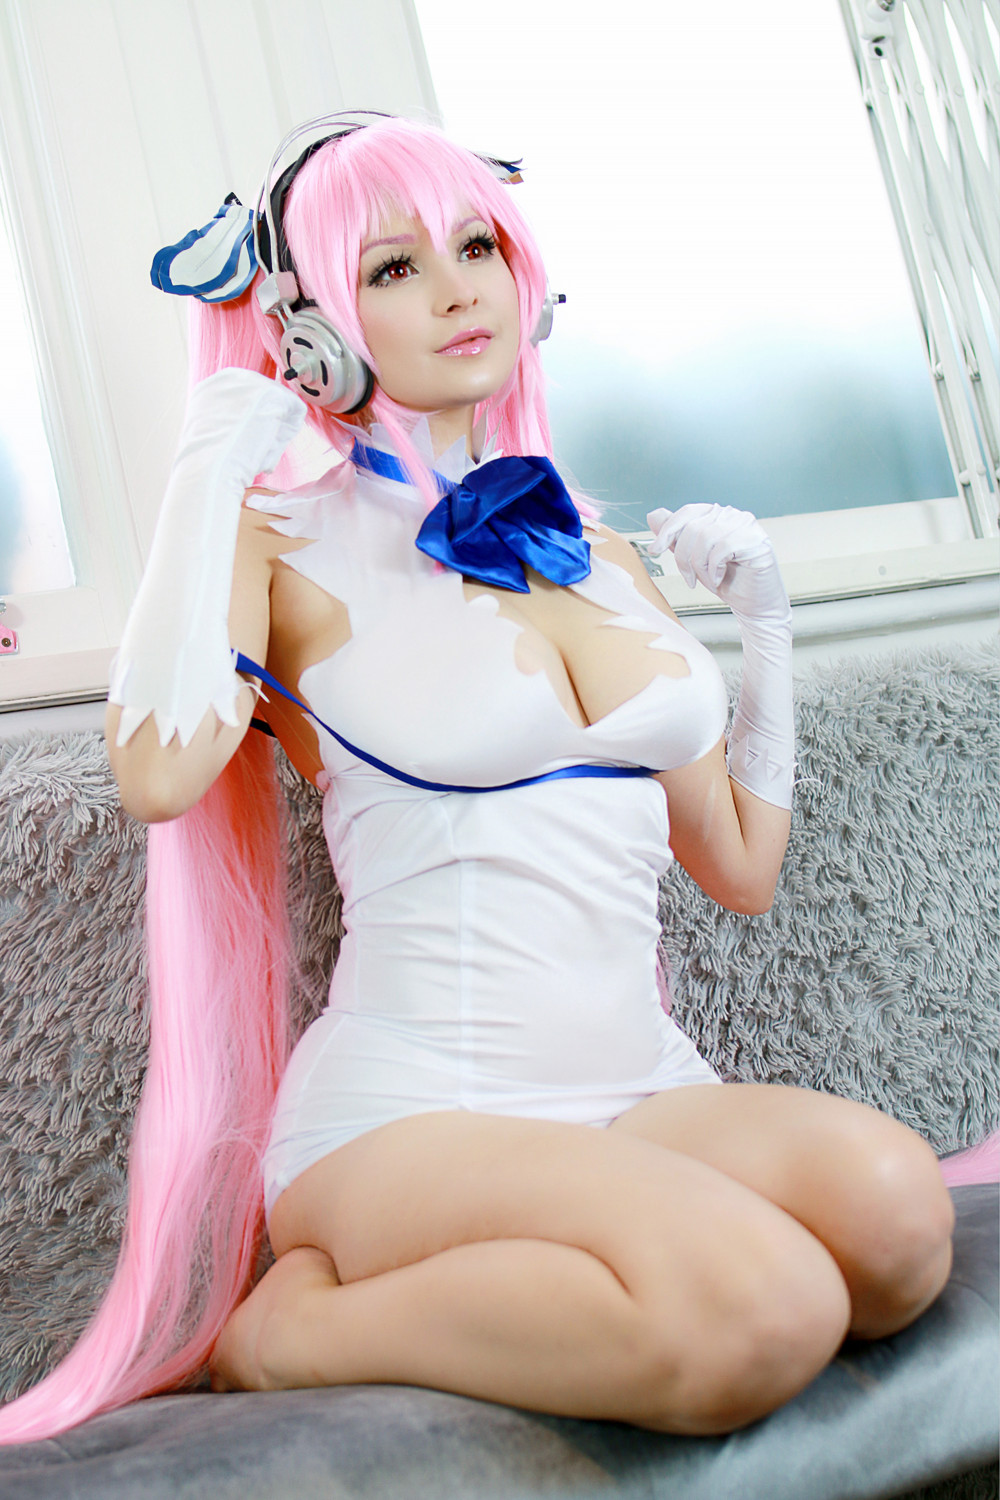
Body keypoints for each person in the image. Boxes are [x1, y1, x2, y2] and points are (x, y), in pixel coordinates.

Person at [0, 112, 956, 1445]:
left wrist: (767, 628)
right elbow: (159, 776)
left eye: (478, 247)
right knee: (764, 1311)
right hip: (414, 1112)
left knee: (898, 1223)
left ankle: (611, 1234)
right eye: (393, 267)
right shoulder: (279, 540)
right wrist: (205, 470)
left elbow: (741, 869)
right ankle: (286, 1335)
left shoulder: (592, 548)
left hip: (641, 1088)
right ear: (309, 328)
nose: (458, 290)